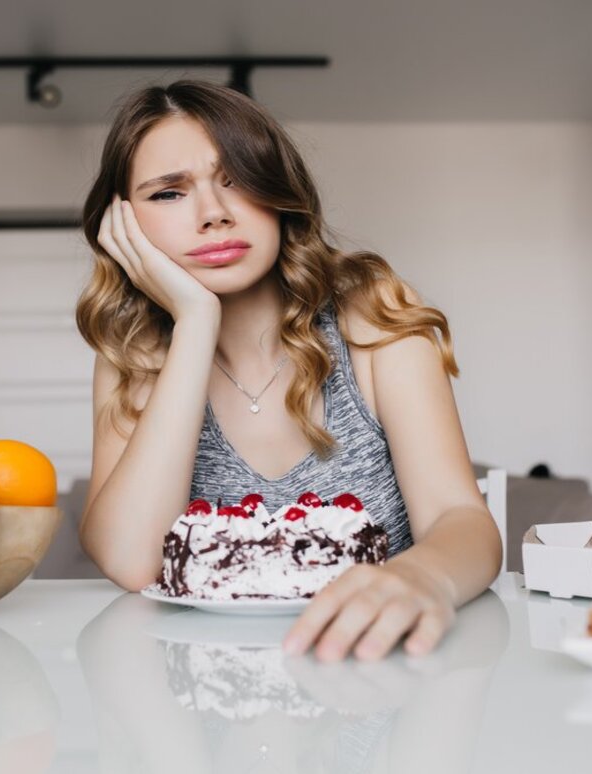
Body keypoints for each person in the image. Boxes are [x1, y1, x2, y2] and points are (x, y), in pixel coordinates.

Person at [75, 79, 502, 662]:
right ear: (124, 225)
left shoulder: (372, 316)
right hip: (202, 707)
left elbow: (461, 519)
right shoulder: (134, 353)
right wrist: (196, 321)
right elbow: (131, 560)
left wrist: (423, 578)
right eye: (169, 194)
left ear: (278, 193)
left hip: (380, 677)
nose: (214, 215)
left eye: (236, 180)